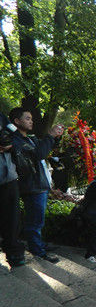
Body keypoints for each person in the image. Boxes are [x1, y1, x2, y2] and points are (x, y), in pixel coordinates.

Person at [10, 107, 62, 263]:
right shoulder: (15, 141)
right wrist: (50, 135)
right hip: (31, 187)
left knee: (38, 220)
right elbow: (39, 154)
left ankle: (39, 244)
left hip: (40, 184)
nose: (31, 121)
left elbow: (43, 151)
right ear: (17, 121)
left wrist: (55, 137)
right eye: (27, 118)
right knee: (34, 222)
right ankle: (38, 251)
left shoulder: (30, 139)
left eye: (31, 118)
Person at [0, 113, 26, 268]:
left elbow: (18, 137)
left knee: (12, 219)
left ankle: (14, 255)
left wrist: (10, 145)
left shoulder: (3, 118)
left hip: (8, 179)